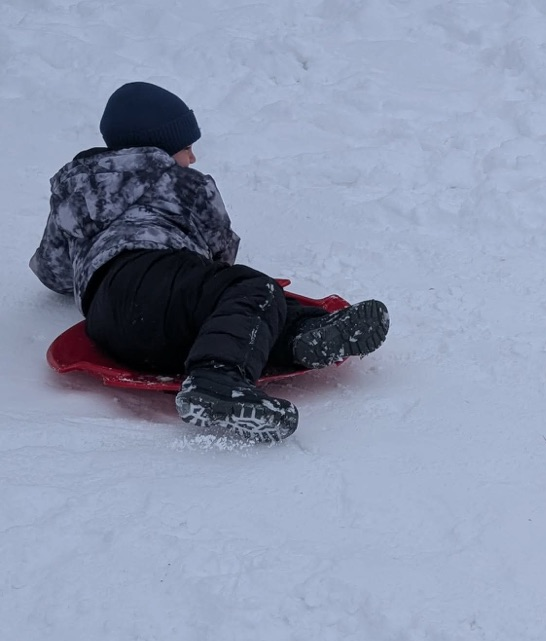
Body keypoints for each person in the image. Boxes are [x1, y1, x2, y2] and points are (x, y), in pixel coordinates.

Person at [29, 82, 389, 442]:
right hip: (154, 274)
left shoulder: (74, 188)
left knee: (222, 312)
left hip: (107, 321)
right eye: (187, 149)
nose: (193, 159)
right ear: (162, 149)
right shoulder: (181, 181)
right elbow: (221, 249)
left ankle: (304, 337)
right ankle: (218, 381)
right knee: (252, 290)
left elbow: (53, 271)